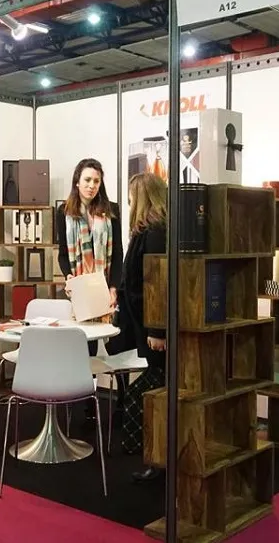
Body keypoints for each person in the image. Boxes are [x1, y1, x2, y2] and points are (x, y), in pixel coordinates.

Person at [56, 158, 124, 421]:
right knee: (86, 346)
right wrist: (68, 275)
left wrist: (114, 287)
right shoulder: (64, 212)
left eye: (96, 181)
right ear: (77, 181)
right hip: (81, 287)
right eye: (87, 180)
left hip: (105, 286)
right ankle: (86, 402)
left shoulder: (111, 211)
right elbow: (63, 253)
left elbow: (117, 254)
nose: (91, 185)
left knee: (115, 343)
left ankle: (123, 402)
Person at [117, 172, 167, 482]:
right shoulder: (150, 231)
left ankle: (157, 459)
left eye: (132, 197)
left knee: (152, 392)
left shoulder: (155, 233)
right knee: (152, 389)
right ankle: (156, 458)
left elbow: (156, 284)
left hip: (153, 327)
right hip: (146, 324)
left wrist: (157, 330)